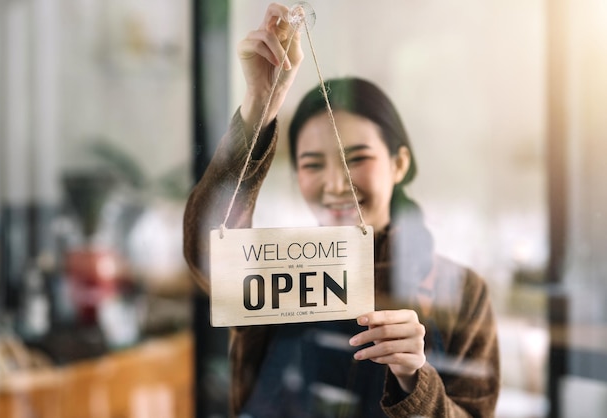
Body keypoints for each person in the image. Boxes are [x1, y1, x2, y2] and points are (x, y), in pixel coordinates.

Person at [184, 3, 500, 417]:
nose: (335, 184)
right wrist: (259, 103)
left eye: (357, 158)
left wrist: (414, 379)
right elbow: (209, 255)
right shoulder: (282, 268)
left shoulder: (461, 294)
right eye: (313, 164)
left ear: (399, 164)